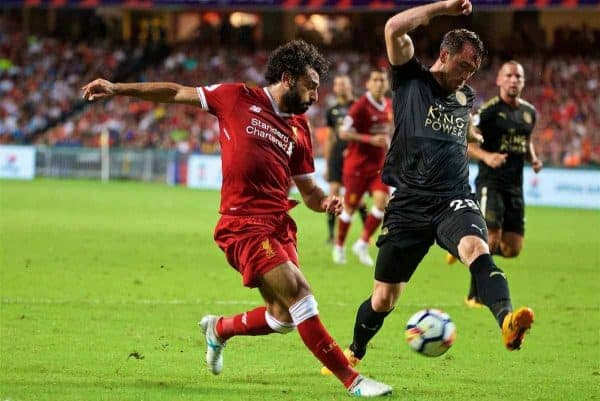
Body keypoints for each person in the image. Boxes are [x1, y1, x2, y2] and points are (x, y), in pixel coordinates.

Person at [82, 40, 391, 397]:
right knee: (301, 295)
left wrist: (326, 203)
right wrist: (118, 88)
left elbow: (308, 191)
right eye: (311, 86)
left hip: (278, 225)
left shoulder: (299, 129)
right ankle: (353, 380)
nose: (316, 96)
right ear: (288, 78)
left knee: (283, 316)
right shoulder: (235, 97)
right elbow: (175, 91)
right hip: (242, 224)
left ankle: (219, 329)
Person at [322, 0, 534, 375]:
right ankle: (354, 352)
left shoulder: (466, 97)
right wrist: (444, 8)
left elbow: (459, 126)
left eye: (474, 70)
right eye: (463, 66)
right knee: (384, 298)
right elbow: (393, 29)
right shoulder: (411, 80)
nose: (467, 76)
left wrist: (470, 131)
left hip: (453, 198)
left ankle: (506, 321)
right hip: (408, 204)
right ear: (444, 55)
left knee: (477, 249)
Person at [448, 61, 542, 307]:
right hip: (491, 183)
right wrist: (487, 156)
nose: (513, 80)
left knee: (512, 248)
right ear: (499, 80)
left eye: (518, 76)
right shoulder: (489, 112)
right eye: (509, 75)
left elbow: (526, 138)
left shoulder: (529, 112)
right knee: (490, 237)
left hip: (515, 186)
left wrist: (533, 158)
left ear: (522, 82)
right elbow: (466, 143)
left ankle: (463, 250)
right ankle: (474, 294)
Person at [332, 70, 392, 267]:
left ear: (387, 84)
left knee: (382, 203)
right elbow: (343, 132)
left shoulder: (389, 106)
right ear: (368, 84)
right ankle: (339, 246)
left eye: (382, 80)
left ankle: (362, 243)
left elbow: (388, 131)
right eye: (375, 80)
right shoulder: (360, 106)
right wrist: (369, 139)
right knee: (349, 207)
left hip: (378, 166)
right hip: (357, 167)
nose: (379, 83)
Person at [323, 75, 368, 244]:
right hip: (336, 156)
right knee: (332, 193)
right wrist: (328, 163)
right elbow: (329, 138)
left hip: (354, 156)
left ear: (350, 86)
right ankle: (331, 235)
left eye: (343, 84)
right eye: (337, 84)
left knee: (358, 199)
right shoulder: (331, 111)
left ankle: (366, 234)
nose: (340, 87)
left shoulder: (359, 107)